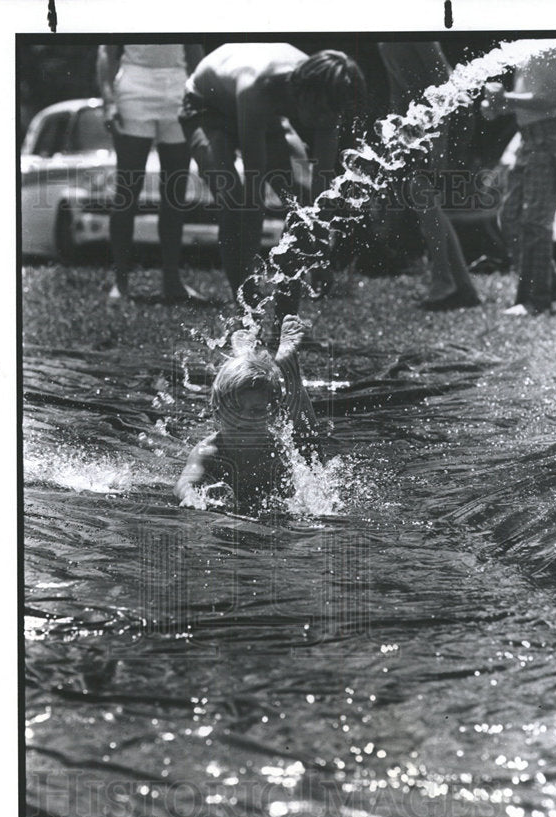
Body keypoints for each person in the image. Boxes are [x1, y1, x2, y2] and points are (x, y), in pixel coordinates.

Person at [178, 45, 367, 311]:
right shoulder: (258, 87)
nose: (324, 121)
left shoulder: (330, 96)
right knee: (235, 200)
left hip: (264, 111)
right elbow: (253, 198)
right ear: (303, 94)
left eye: (332, 114)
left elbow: (320, 191)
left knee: (301, 205)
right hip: (207, 107)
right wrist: (249, 285)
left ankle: (285, 319)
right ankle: (244, 310)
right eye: (320, 112)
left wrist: (320, 256)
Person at [97, 43, 206, 303]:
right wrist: (108, 100)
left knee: (174, 191)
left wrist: (202, 96)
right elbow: (107, 50)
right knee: (128, 188)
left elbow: (195, 49)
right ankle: (121, 283)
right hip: (135, 84)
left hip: (179, 86)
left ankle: (172, 281)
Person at [174, 315, 318, 510]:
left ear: (272, 414)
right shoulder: (208, 452)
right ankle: (244, 353)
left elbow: (300, 496)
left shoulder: (275, 452)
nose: (245, 418)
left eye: (257, 410)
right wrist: (191, 495)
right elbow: (184, 482)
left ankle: (292, 376)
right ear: (217, 411)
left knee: (307, 446)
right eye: (235, 408)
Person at [378, 42, 481, 310]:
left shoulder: (417, 26)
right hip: (421, 119)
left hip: (447, 114)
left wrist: (440, 143)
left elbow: (442, 82)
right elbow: (397, 85)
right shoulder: (382, 34)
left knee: (422, 193)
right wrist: (395, 131)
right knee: (425, 200)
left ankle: (445, 281)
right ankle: (461, 286)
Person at [481, 43, 556, 316]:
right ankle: (550, 289)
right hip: (527, 137)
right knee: (509, 216)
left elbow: (549, 100)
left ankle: (534, 300)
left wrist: (505, 98)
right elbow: (529, 101)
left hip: (548, 137)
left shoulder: (552, 46)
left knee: (535, 221)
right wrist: (498, 107)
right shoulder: (526, 48)